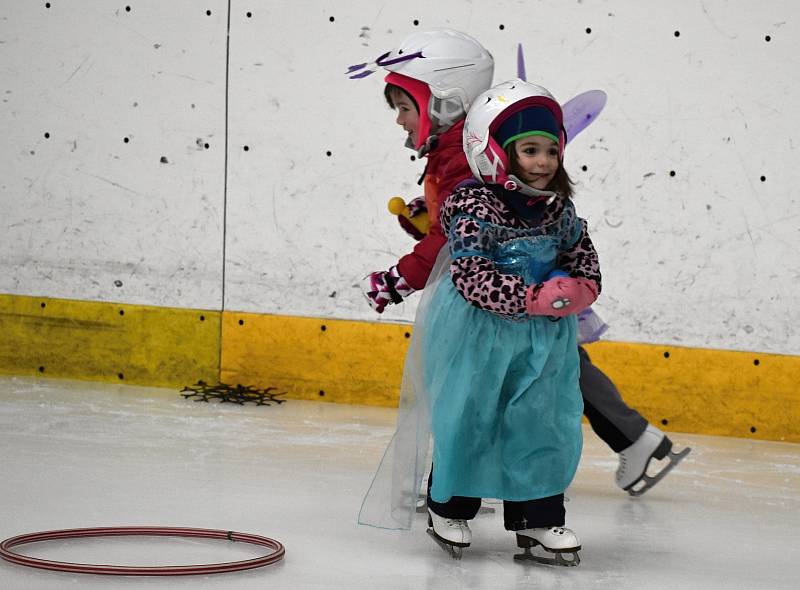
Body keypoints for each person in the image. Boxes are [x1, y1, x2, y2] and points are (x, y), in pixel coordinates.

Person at [352, 29, 689, 503]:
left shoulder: (465, 159)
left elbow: (455, 235)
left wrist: (399, 278)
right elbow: (456, 225)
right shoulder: (458, 152)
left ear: (445, 102)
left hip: (504, 291)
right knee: (547, 362)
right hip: (505, 290)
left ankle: (618, 441)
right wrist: (427, 220)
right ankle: (631, 438)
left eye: (404, 108)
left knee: (540, 367)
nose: (399, 121)